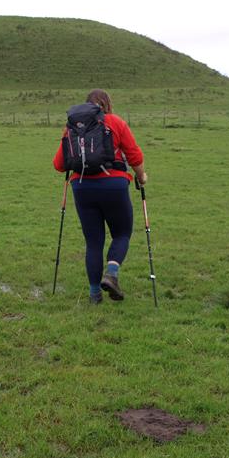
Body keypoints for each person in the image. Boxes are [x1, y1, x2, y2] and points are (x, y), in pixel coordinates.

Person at [53, 89, 147, 304]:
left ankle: (94, 295)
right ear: (107, 104)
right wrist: (141, 176)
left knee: (93, 242)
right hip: (114, 185)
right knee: (122, 233)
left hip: (81, 187)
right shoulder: (115, 122)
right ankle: (111, 273)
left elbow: (59, 165)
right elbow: (134, 154)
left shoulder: (72, 128)